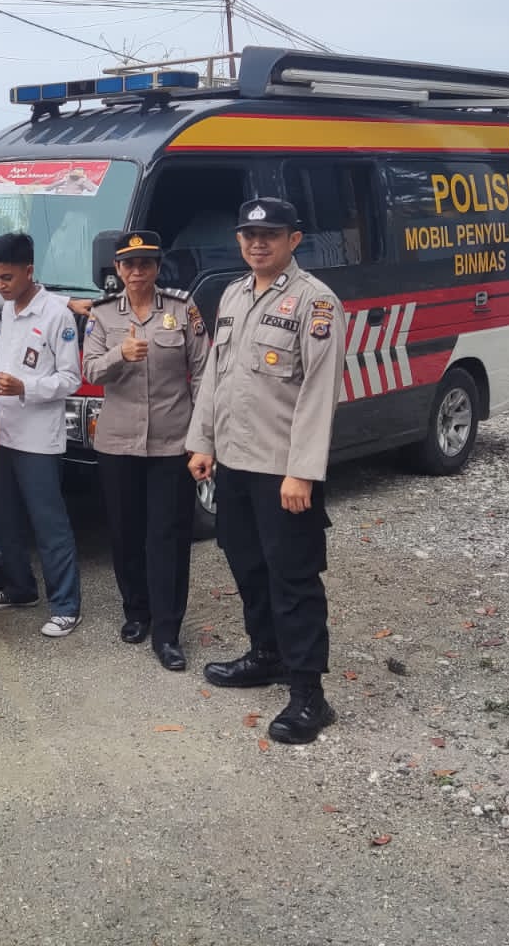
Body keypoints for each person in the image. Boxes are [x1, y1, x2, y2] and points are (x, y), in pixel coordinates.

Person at [186, 198, 345, 745]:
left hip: (282, 472)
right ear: (239, 240)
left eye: (270, 235)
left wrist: (302, 472)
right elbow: (216, 374)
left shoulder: (315, 302)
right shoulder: (232, 294)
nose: (258, 243)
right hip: (234, 463)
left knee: (293, 579)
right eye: (249, 234)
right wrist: (202, 441)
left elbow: (319, 392)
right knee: (247, 566)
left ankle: (309, 695)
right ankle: (267, 655)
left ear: (293, 240)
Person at [83, 230, 209, 670]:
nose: (137, 271)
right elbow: (90, 370)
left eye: (146, 264)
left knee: (168, 537)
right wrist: (119, 354)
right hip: (118, 443)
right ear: (118, 269)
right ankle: (136, 612)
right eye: (129, 264)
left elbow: (204, 371)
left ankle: (168, 631)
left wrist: (202, 437)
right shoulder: (102, 315)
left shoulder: (181, 309)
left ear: (157, 267)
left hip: (172, 443)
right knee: (125, 532)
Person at [0, 232, 83, 638]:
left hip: (38, 437)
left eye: (7, 278)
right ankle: (20, 589)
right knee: (5, 520)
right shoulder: (6, 309)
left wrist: (26, 388)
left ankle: (66, 605)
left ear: (29, 271)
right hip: (2, 431)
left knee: (48, 523)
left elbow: (71, 379)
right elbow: (2, 364)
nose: (0, 285)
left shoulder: (56, 315)